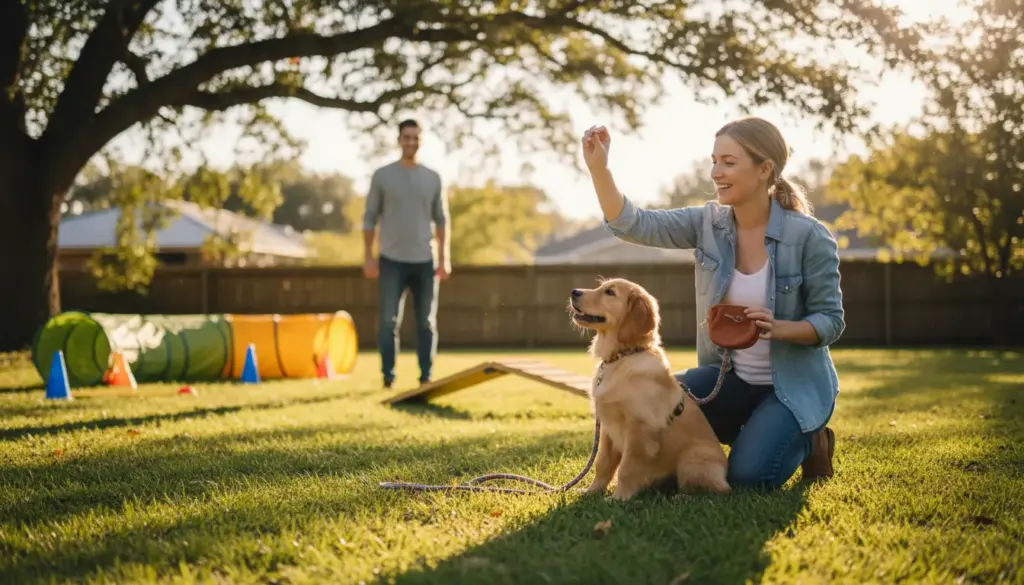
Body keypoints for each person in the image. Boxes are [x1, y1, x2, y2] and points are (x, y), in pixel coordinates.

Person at [580, 116, 844, 491]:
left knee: (750, 478)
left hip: (791, 388)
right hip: (728, 380)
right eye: (714, 160)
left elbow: (831, 320)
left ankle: (811, 438)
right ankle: (757, 431)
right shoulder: (708, 223)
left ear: (764, 169)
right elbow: (633, 224)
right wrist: (599, 169)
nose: (716, 172)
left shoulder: (809, 237)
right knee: (654, 405)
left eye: (729, 162)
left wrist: (779, 328)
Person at [363, 118, 451, 389]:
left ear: (420, 140)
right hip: (391, 260)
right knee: (389, 321)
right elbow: (369, 218)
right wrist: (368, 256)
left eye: (415, 137)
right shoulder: (382, 176)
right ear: (399, 139)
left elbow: (442, 219)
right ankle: (388, 377)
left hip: (425, 260)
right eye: (406, 137)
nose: (411, 142)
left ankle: (426, 377)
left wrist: (445, 258)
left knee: (426, 322)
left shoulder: (433, 177)